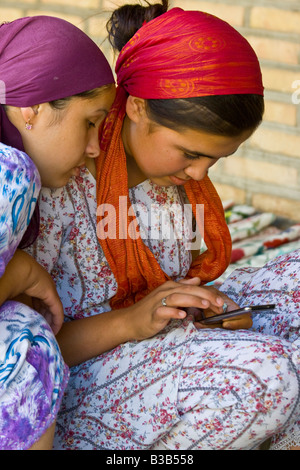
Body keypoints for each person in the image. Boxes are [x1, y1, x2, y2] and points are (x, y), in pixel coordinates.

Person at [26, 2, 299, 450]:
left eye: (216, 159)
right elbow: (24, 353)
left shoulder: (177, 189)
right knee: (264, 375)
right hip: (79, 383)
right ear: (137, 108)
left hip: (163, 347)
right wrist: (131, 322)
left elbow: (173, 293)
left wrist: (211, 315)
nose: (200, 175)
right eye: (190, 154)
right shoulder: (60, 185)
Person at [0, 15, 115, 450]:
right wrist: (21, 276)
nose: (95, 148)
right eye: (90, 122)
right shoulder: (10, 171)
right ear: (32, 108)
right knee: (27, 339)